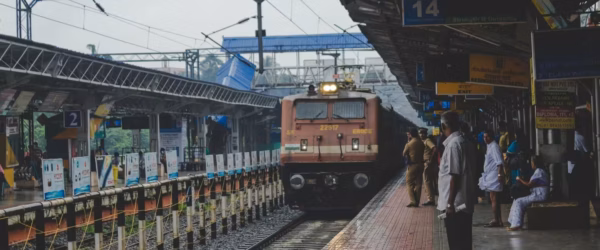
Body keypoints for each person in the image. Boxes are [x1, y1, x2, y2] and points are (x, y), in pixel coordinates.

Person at [437, 111, 475, 250]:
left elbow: (455, 175)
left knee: (456, 243)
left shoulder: (453, 145)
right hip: (465, 201)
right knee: (465, 242)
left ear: (443, 126)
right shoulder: (465, 141)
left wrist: (450, 203)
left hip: (456, 205)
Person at [507, 155, 549, 231]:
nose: (531, 164)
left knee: (519, 202)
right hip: (536, 193)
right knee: (516, 199)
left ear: (534, 163)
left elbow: (529, 184)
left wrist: (520, 180)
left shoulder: (539, 171)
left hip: (539, 195)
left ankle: (516, 224)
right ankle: (513, 222)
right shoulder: (539, 171)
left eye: (532, 162)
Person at [478, 130, 505, 227]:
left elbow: (499, 162)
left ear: (492, 137)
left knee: (494, 198)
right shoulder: (490, 146)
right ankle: (499, 220)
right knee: (496, 199)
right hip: (491, 174)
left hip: (494, 175)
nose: (485, 139)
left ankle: (496, 220)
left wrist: (499, 175)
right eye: (484, 137)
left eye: (487, 137)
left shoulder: (494, 147)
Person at [403, 128, 425, 207]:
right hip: (421, 165)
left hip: (413, 165)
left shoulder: (409, 144)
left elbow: (404, 153)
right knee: (419, 183)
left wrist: (408, 141)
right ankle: (417, 201)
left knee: (409, 183)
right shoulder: (421, 143)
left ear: (411, 134)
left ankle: (413, 201)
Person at [419, 128, 437, 206]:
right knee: (427, 181)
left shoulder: (427, 141)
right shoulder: (422, 141)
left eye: (423, 133)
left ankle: (431, 200)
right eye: (420, 133)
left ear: (426, 134)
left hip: (427, 163)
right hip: (425, 163)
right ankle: (430, 198)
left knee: (427, 181)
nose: (421, 134)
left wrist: (430, 159)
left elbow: (434, 148)